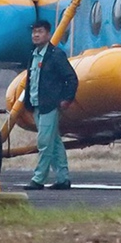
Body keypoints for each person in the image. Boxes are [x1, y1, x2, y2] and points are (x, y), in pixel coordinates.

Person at [22, 20, 78, 191]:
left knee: (44, 143)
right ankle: (63, 178)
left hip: (50, 105)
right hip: (37, 104)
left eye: (39, 32)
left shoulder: (56, 55)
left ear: (48, 34)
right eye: (33, 32)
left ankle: (38, 179)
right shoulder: (33, 54)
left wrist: (66, 98)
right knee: (54, 142)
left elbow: (71, 78)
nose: (35, 35)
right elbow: (31, 80)